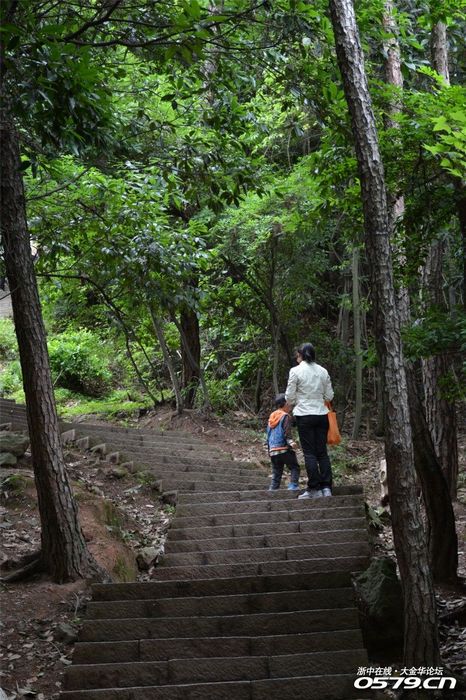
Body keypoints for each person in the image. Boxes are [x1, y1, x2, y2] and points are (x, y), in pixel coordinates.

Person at [285, 342, 334, 499]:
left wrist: (300, 399)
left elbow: (289, 397)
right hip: (321, 415)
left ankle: (314, 488)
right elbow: (329, 396)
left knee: (309, 453)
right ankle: (327, 488)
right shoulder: (323, 371)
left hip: (305, 415)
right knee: (322, 453)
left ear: (300, 355)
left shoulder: (295, 371)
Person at [266, 393, 300, 491]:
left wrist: (268, 447)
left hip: (273, 450)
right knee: (294, 467)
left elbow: (268, 432)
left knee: (277, 472)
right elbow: (286, 430)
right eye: (289, 403)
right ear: (285, 404)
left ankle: (272, 490)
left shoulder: (272, 416)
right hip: (284, 448)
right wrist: (290, 442)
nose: (290, 405)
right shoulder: (285, 416)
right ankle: (293, 486)